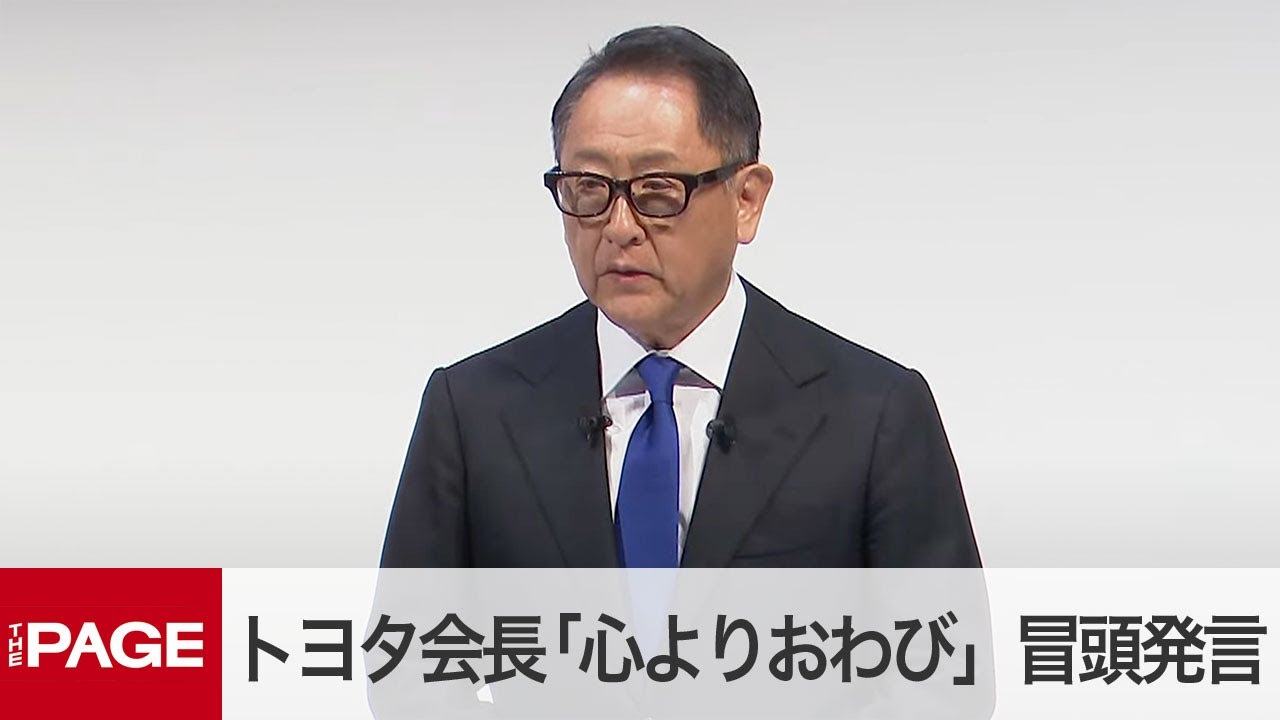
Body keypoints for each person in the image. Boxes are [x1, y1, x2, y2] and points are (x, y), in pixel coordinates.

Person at [379, 25, 981, 569]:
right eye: (588, 188)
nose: (619, 227)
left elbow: (943, 655)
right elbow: (411, 647)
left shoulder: (875, 413)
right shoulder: (472, 411)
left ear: (746, 199)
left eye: (658, 190)